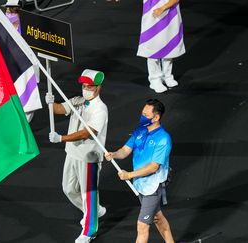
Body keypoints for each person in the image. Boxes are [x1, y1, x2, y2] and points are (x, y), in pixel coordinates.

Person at [46, 69, 108, 243]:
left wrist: (61, 138)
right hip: (72, 153)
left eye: (89, 86)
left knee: (88, 194)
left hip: (89, 157)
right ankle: (94, 211)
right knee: (69, 189)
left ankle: (89, 231)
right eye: (84, 85)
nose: (86, 89)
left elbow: (86, 133)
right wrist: (50, 103)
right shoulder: (78, 101)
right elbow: (60, 109)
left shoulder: (100, 110)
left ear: (98, 88)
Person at [105, 99, 174, 243]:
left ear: (156, 117)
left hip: (152, 186)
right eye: (142, 113)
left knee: (142, 227)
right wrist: (113, 154)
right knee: (158, 218)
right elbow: (124, 151)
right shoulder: (139, 132)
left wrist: (129, 175)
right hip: (140, 183)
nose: (142, 117)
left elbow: (154, 167)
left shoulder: (163, 138)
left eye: (146, 114)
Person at [137, 0, 185, 93]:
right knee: (153, 45)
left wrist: (163, 7)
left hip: (171, 12)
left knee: (170, 45)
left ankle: (167, 75)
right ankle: (154, 79)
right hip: (153, 13)